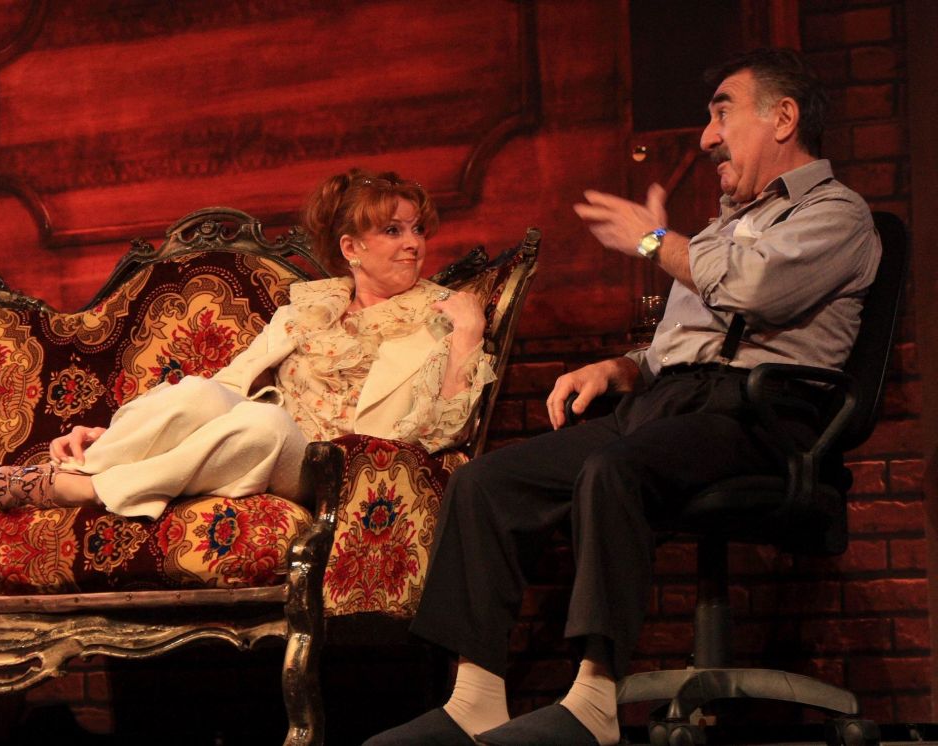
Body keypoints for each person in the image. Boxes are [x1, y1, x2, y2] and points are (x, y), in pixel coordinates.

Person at [366, 48, 881, 746]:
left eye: (722, 114)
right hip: (673, 404)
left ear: (783, 118)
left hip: (764, 415)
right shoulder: (722, 229)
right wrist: (624, 367)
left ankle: (596, 701)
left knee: (614, 470)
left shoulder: (837, 215)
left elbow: (754, 289)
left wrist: (654, 239)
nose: (707, 137)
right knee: (486, 483)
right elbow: (686, 342)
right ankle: (475, 699)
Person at [0, 168, 493, 518]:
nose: (414, 243)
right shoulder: (307, 311)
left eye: (417, 229)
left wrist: (469, 334)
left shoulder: (441, 314)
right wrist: (116, 433)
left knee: (266, 423)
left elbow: (447, 430)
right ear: (351, 248)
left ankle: (93, 488)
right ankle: (76, 468)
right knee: (199, 393)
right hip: (264, 436)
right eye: (394, 231)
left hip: (337, 467)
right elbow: (222, 389)